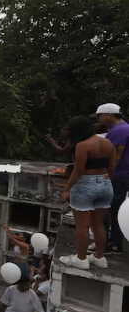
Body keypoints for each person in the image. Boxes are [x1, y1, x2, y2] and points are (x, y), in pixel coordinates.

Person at [59, 115, 115, 268]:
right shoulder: (107, 142)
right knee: (99, 224)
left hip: (85, 184)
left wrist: (67, 188)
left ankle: (81, 259)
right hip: (105, 182)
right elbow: (112, 167)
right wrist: (106, 180)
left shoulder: (82, 145)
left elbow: (79, 170)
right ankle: (99, 257)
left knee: (82, 225)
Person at [94, 103, 129, 255]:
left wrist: (105, 176)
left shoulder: (119, 131)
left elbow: (115, 156)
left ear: (109, 115)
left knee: (106, 210)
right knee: (113, 210)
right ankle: (112, 242)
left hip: (117, 177)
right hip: (121, 176)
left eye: (100, 115)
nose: (99, 119)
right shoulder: (121, 129)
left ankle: (112, 244)